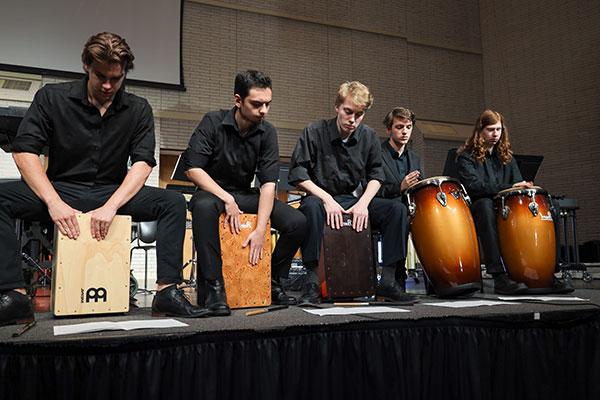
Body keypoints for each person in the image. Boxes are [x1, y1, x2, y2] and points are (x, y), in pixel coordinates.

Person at [0, 32, 208, 326]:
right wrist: (53, 202)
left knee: (172, 201)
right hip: (61, 189)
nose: (108, 85)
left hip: (112, 192)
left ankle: (167, 292)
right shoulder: (52, 97)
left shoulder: (138, 109)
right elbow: (24, 151)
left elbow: (143, 163)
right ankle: (15, 298)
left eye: (116, 78)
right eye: (101, 76)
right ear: (86, 65)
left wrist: (111, 206)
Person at [183, 70, 306, 316]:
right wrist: (225, 198)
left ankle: (272, 280)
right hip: (213, 192)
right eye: (257, 104)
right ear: (238, 101)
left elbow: (269, 184)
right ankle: (214, 287)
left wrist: (261, 230)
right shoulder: (213, 121)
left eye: (268, 104)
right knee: (204, 206)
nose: (264, 111)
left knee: (298, 222)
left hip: (244, 193)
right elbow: (193, 169)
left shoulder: (267, 132)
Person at [288, 81, 417, 304]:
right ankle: (311, 283)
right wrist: (326, 198)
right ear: (337, 107)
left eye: (359, 115)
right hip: (320, 196)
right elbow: (298, 173)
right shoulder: (314, 131)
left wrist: (363, 204)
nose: (353, 120)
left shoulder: (368, 136)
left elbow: (376, 175)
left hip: (351, 198)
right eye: (348, 112)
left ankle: (387, 281)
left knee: (396, 209)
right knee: (309, 207)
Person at [456, 109, 572, 294]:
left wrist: (524, 188)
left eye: (499, 130)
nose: (495, 134)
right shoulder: (465, 156)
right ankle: (499, 277)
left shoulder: (506, 157)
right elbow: (475, 186)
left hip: (507, 207)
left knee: (552, 206)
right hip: (480, 209)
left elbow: (516, 184)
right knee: (485, 206)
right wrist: (508, 187)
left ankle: (549, 273)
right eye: (490, 130)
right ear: (480, 131)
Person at [377, 107, 424, 292]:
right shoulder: (377, 154)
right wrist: (400, 187)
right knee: (399, 212)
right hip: (383, 208)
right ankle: (396, 277)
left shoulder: (414, 158)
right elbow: (372, 189)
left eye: (408, 127)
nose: (404, 131)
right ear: (389, 129)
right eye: (399, 127)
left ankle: (439, 276)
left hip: (406, 209)